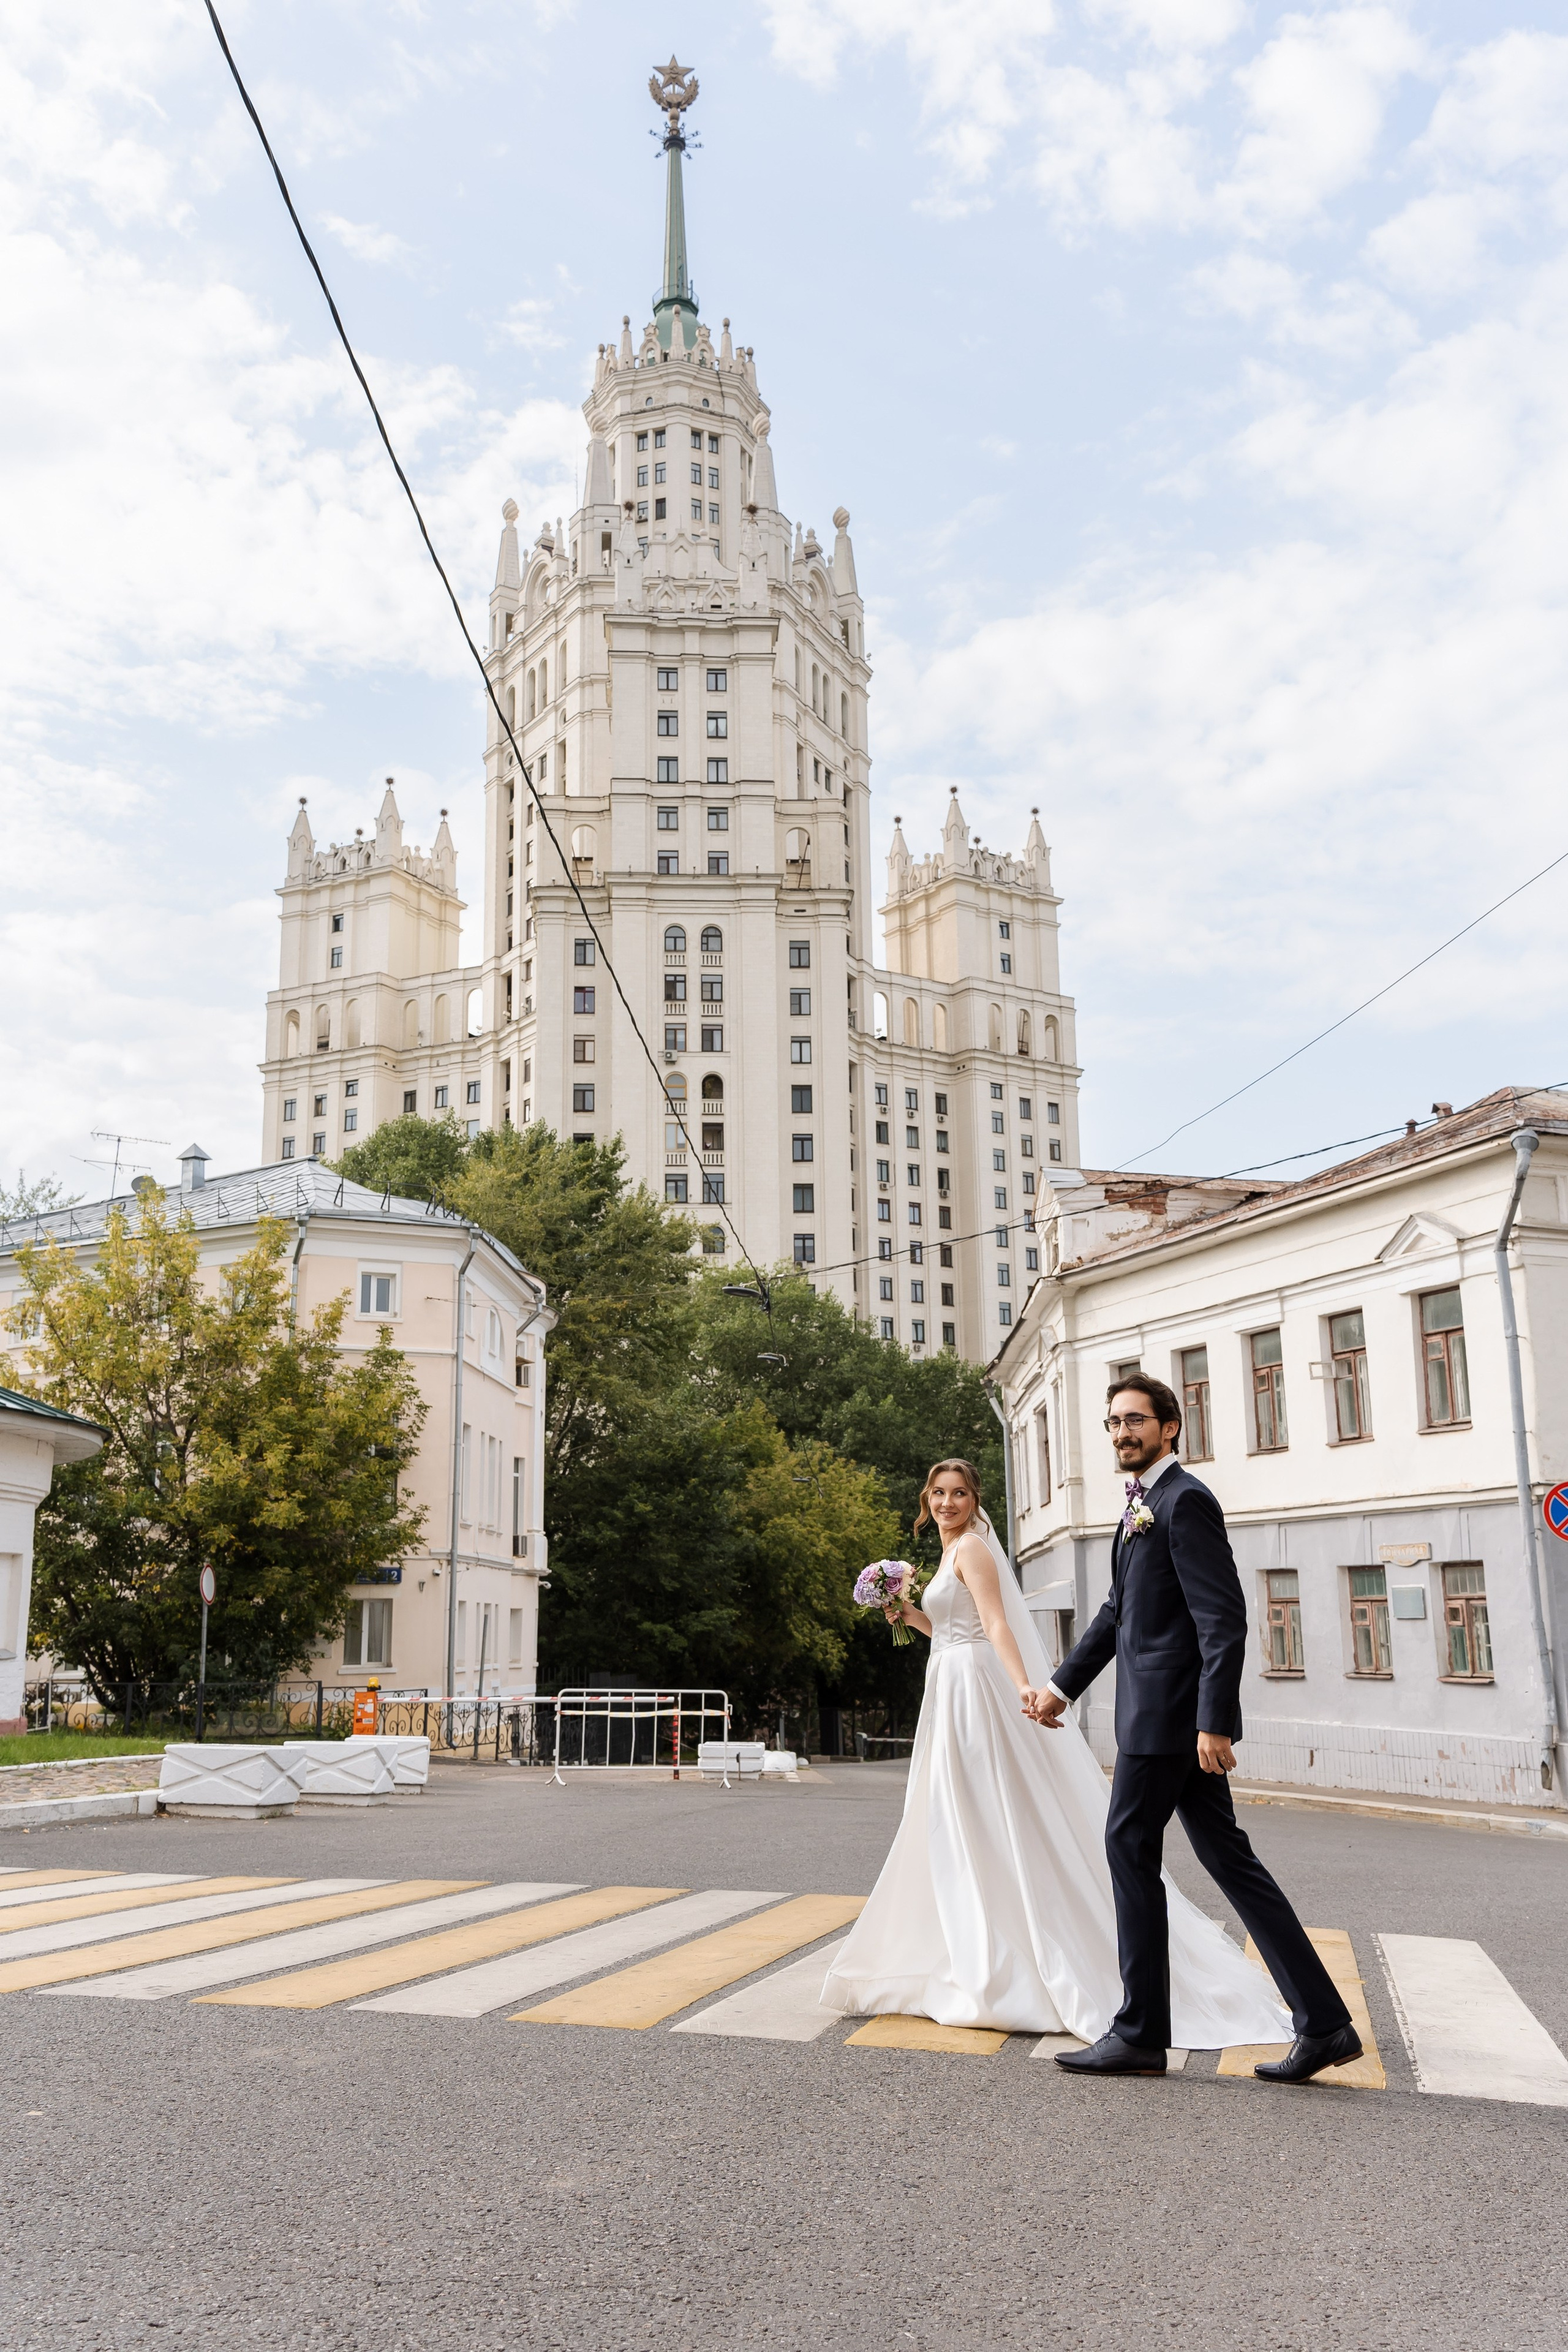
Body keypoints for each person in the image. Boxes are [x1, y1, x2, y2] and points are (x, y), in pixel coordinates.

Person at [820, 1456, 1294, 2056]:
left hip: (973, 1693)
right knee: (956, 1818)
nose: (947, 1503)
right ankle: (972, 1951)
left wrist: (1024, 1683)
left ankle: (1009, 1959)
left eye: (959, 1493)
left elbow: (993, 1625)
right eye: (938, 1493)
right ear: (925, 1498)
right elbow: (947, 1630)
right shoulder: (947, 1554)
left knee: (979, 1818)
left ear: (974, 1500)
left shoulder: (971, 1549)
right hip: (947, 1685)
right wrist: (901, 1612)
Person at [1028, 1376, 1362, 2083]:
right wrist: (1061, 1688)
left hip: (1169, 1723)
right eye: (1113, 1421)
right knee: (1230, 1862)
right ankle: (1325, 2025)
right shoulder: (1140, 1506)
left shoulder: (1185, 1502)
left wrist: (1215, 1722)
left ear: (1170, 1428)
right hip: (1162, 1718)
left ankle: (1140, 2032)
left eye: (1136, 1421)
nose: (1122, 1432)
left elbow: (1223, 1620)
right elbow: (1118, 1616)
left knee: (1128, 1847)